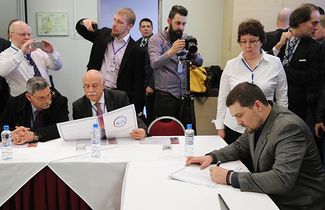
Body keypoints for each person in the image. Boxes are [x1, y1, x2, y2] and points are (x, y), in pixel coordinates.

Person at [187, 82, 325, 210]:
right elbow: (240, 146)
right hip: (273, 196)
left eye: (239, 115)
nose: (238, 122)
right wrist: (211, 156)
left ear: (257, 105)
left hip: (299, 203)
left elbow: (282, 179)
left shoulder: (289, 127)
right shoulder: (257, 120)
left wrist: (229, 177)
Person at [216, 19, 288, 145]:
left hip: (265, 126)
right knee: (234, 162)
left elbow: (282, 98)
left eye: (253, 41)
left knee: (261, 163)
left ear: (261, 40)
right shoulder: (231, 65)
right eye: (243, 42)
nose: (248, 46)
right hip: (235, 127)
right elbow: (223, 98)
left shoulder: (274, 63)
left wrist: (282, 124)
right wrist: (220, 127)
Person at [75, 8, 145, 116]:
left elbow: (138, 83)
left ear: (129, 26)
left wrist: (137, 110)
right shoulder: (103, 35)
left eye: (120, 22)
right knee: (93, 126)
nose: (114, 24)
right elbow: (81, 30)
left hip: (117, 95)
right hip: (95, 89)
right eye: (114, 20)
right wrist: (84, 21)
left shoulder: (136, 50)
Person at [148, 5, 203, 125]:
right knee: (165, 135)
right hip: (165, 97)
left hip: (184, 96)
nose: (181, 27)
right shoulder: (156, 39)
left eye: (184, 24)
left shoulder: (186, 38)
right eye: (178, 23)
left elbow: (199, 62)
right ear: (169, 21)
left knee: (186, 134)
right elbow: (154, 63)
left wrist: (192, 54)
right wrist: (171, 51)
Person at [270, 4, 322, 122]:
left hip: (297, 110)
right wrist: (278, 46)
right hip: (270, 105)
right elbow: (263, 65)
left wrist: (281, 69)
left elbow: (312, 77)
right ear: (300, 22)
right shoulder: (274, 38)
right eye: (314, 23)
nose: (317, 27)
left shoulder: (315, 47)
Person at [72, 70, 147, 140]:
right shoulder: (78, 106)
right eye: (87, 86)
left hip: (119, 142)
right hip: (94, 144)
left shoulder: (119, 97)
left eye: (94, 86)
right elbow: (79, 132)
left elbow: (134, 119)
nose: (90, 90)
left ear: (103, 85)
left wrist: (143, 130)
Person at [0, 20, 63, 97]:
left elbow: (57, 67)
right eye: (22, 34)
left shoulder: (37, 51)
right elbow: (2, 72)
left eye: (29, 34)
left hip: (47, 96)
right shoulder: (5, 55)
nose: (27, 37)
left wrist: (52, 53)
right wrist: (21, 53)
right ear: (11, 35)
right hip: (24, 102)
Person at [0, 77, 69, 144]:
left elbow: (62, 127)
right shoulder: (15, 103)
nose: (48, 101)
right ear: (29, 97)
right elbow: (2, 124)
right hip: (22, 148)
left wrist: (34, 135)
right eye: (42, 98)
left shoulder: (59, 101)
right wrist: (13, 134)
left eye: (49, 95)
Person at [136, 18, 155, 125]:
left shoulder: (156, 42)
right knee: (138, 113)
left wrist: (151, 85)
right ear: (139, 29)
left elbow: (157, 67)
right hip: (139, 86)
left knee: (151, 113)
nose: (146, 29)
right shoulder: (136, 43)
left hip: (150, 85)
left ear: (152, 28)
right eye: (143, 26)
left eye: (148, 26)